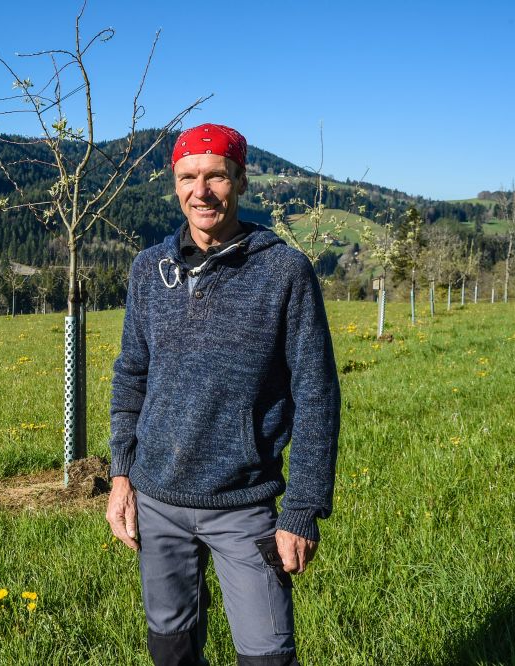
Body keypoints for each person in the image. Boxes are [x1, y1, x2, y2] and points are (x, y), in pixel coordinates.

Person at [106, 123, 340, 666]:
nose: (201, 191)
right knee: (171, 647)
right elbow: (131, 375)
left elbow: (317, 395)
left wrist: (302, 509)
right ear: (174, 183)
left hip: (245, 504)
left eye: (215, 177)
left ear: (240, 179)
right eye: (188, 178)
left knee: (268, 653)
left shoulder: (284, 271)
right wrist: (121, 476)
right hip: (158, 498)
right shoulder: (150, 270)